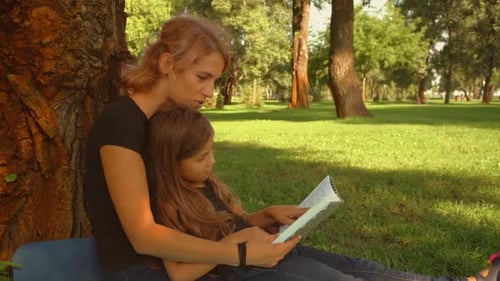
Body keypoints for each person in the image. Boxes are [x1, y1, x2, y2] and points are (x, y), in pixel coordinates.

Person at [147, 106, 500, 281]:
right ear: (169, 160)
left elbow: (232, 225)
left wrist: (264, 217)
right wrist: (240, 246)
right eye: (200, 157)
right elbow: (178, 271)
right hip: (246, 271)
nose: (212, 162)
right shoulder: (168, 201)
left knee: (361, 267)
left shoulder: (206, 184)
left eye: (211, 151)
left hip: (270, 251)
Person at [83, 15, 301, 281]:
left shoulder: (165, 123)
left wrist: (259, 218)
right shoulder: (122, 122)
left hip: (195, 261)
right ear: (167, 64)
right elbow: (143, 236)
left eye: (214, 81)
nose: (210, 92)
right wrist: (240, 253)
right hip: (142, 271)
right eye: (202, 77)